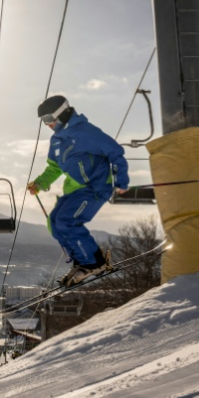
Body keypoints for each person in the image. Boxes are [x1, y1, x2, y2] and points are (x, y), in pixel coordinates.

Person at [28, 95, 129, 286]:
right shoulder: (57, 141)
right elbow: (54, 168)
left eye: (48, 119)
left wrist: (120, 180)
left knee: (67, 221)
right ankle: (82, 260)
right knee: (55, 223)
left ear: (62, 113)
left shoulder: (85, 132)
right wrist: (40, 183)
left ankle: (93, 262)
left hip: (94, 187)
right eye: (43, 121)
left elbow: (115, 151)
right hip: (74, 191)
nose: (47, 124)